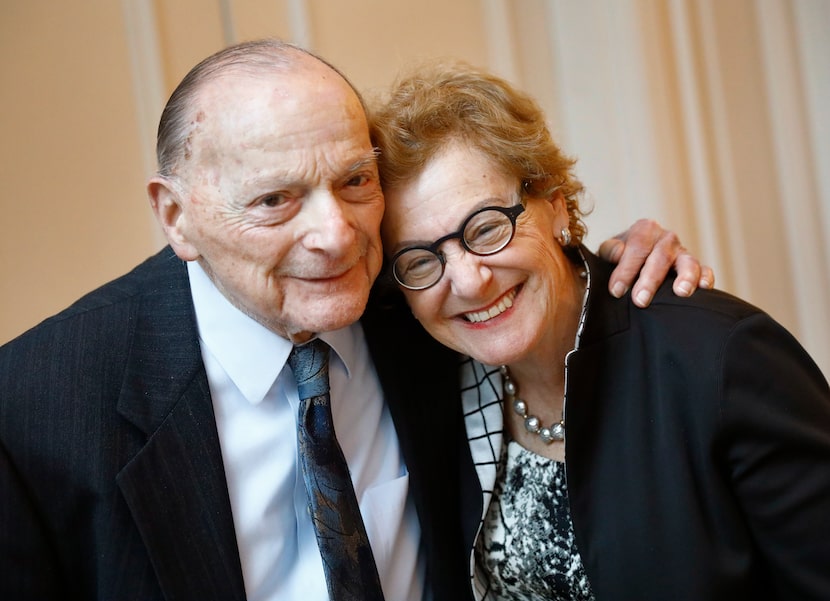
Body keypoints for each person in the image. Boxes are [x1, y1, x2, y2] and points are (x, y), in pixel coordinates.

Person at [0, 39, 708, 601]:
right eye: (276, 199)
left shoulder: (416, 303)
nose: (336, 235)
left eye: (354, 181)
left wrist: (612, 268)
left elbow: (514, 270)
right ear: (176, 216)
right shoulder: (37, 406)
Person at [371, 61, 830, 601]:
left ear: (555, 204)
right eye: (421, 260)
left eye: (488, 227)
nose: (469, 281)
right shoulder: (427, 379)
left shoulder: (723, 358)